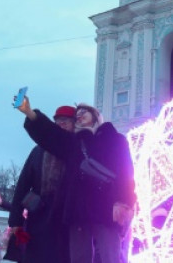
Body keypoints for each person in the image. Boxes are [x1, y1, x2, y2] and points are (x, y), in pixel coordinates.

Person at [16, 99, 135, 263]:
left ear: (95, 115)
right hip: (79, 210)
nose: (79, 116)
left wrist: (124, 202)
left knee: (110, 256)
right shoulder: (75, 143)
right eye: (77, 115)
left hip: (107, 207)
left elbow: (126, 173)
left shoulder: (115, 139)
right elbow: (50, 134)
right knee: (79, 257)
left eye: (83, 112)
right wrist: (30, 113)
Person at [7, 105, 76, 263]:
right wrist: (16, 221)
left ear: (74, 124)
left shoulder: (76, 149)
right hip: (39, 217)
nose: (61, 125)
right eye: (58, 121)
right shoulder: (38, 151)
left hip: (66, 219)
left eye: (66, 121)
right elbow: (22, 185)